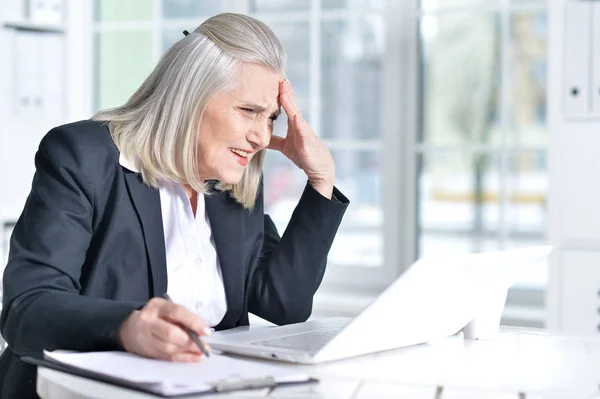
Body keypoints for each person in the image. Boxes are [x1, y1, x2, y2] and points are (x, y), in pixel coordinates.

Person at [0, 13, 349, 398]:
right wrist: (126, 327)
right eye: (248, 111)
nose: (261, 136)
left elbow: (284, 304)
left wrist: (321, 182)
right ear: (190, 95)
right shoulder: (83, 157)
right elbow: (27, 310)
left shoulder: (231, 180)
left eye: (271, 117)